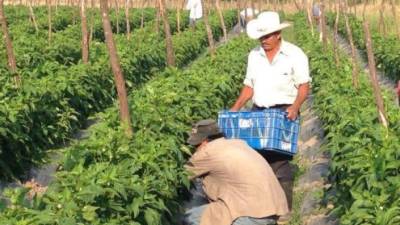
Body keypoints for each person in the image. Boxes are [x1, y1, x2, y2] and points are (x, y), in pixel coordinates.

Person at [230, 11, 311, 223]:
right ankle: (262, 207)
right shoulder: (253, 56)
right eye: (261, 37)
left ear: (277, 34)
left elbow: (304, 86)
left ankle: (283, 210)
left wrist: (295, 107)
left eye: (267, 36)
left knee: (281, 161)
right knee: (258, 158)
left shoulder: (295, 54)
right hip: (259, 111)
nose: (263, 41)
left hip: (284, 111)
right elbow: (249, 85)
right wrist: (236, 107)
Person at [183, 119, 289, 225]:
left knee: (189, 218)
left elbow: (181, 175)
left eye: (196, 145)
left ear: (204, 141)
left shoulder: (207, 152)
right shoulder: (238, 144)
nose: (195, 149)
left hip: (249, 215)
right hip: (272, 209)